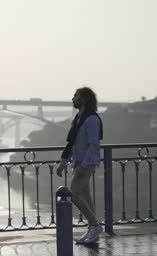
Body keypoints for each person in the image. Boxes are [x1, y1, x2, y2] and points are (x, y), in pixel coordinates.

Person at [56, 87, 103, 244]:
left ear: (83, 99)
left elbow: (93, 145)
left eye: (76, 96)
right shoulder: (79, 118)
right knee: (86, 197)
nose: (73, 98)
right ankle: (93, 230)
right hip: (79, 163)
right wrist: (63, 164)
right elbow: (71, 144)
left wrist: (84, 165)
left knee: (73, 193)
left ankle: (95, 225)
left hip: (85, 164)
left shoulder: (91, 119)